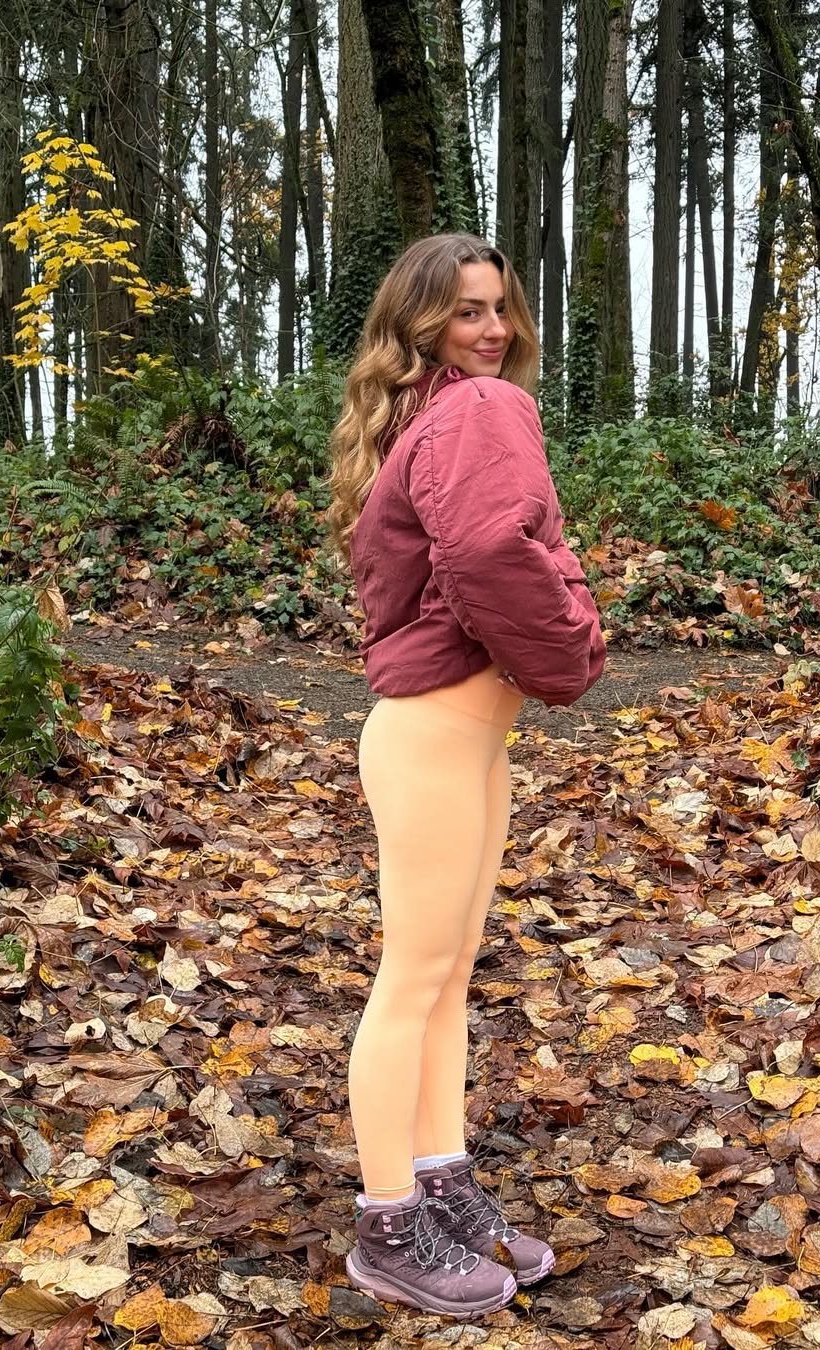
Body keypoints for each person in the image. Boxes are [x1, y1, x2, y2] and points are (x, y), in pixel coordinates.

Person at [326, 233, 606, 1319]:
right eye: (466, 311)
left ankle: (443, 1192)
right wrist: (573, 643)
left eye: (501, 308)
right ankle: (389, 1228)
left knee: (444, 979)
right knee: (414, 981)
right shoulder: (484, 409)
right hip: (437, 733)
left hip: (456, 737)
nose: (493, 329)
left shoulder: (430, 416)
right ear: (421, 324)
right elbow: (492, 552)